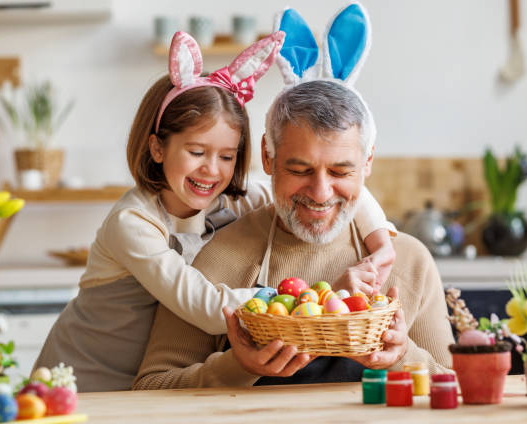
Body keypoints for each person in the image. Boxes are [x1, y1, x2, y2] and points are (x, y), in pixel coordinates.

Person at [33, 32, 396, 392]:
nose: (212, 170)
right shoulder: (133, 223)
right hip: (79, 381)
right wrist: (319, 300)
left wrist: (381, 243)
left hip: (142, 388)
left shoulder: (236, 199)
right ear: (157, 147)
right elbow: (207, 308)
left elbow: (330, 186)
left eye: (227, 156)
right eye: (196, 152)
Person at [133, 80, 455, 390]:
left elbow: (456, 389)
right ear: (267, 157)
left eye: (341, 172)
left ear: (367, 160)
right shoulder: (220, 257)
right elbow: (151, 386)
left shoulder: (410, 262)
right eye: (299, 171)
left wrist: (401, 357)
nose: (320, 193)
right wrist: (236, 367)